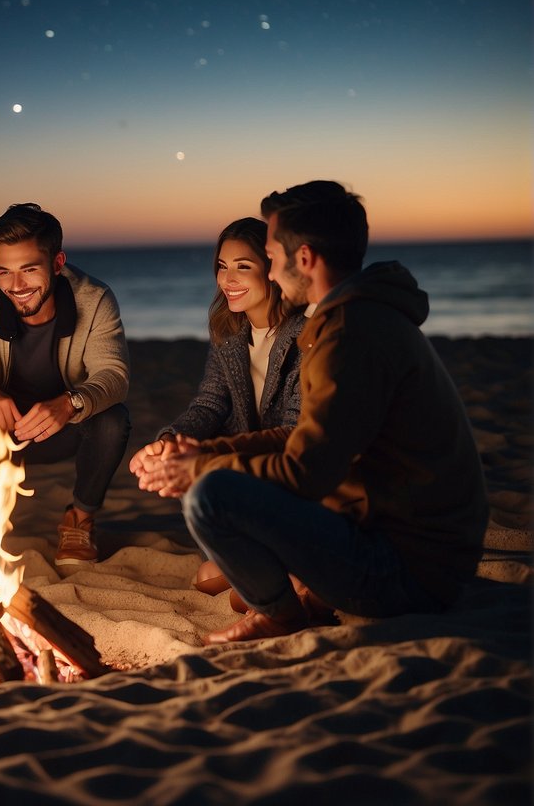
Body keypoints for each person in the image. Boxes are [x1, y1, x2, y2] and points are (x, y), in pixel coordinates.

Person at [134, 181, 488, 644]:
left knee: (209, 495)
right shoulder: (351, 317)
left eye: (272, 256)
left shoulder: (348, 334)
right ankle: (293, 593)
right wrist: (199, 449)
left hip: (408, 570)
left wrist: (200, 467)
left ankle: (281, 614)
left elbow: (304, 471)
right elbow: (303, 438)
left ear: (303, 259)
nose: (273, 271)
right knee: (207, 487)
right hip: (401, 544)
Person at [0, 203, 131, 566]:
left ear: (57, 263)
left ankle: (80, 520)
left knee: (112, 419)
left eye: (29, 270)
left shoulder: (95, 298)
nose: (16, 286)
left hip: (63, 427)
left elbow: (113, 376)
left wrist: (71, 403)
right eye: (4, 271)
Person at [127, 217, 307, 598]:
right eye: (222, 267)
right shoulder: (228, 330)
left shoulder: (305, 333)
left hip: (292, 477)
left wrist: (205, 454)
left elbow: (296, 432)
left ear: (273, 269)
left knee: (211, 577)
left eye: (244, 266)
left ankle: (283, 571)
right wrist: (169, 443)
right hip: (241, 473)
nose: (228, 279)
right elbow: (210, 403)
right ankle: (275, 573)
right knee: (207, 577)